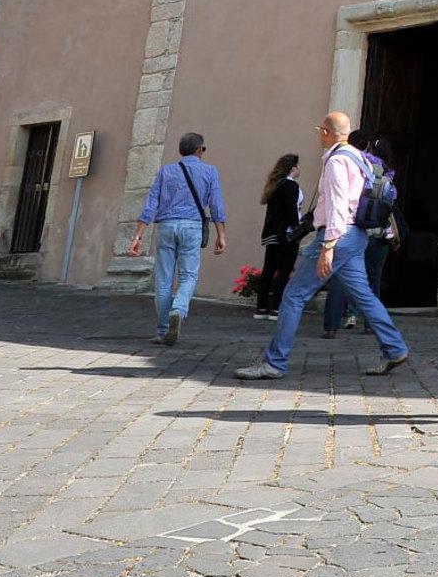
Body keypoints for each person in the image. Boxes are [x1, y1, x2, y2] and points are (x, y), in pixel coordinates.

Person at [235, 111, 409, 380]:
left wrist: (328, 246)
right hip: (356, 236)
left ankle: (274, 363)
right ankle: (395, 347)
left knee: (293, 296)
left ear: (327, 132)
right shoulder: (360, 159)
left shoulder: (337, 162)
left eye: (320, 130)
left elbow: (339, 205)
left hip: (337, 235)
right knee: (363, 295)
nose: (318, 135)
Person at [128, 131, 227, 346]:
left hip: (165, 226)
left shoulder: (166, 171)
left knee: (163, 280)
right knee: (188, 276)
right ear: (200, 150)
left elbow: (150, 204)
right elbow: (216, 205)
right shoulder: (210, 171)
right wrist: (221, 234)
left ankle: (163, 330)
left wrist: (137, 236)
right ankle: (178, 309)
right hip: (192, 227)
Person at [322, 133, 398, 338]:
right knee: (374, 279)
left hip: (353, 230)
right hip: (378, 233)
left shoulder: (356, 167)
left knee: (339, 277)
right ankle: (372, 325)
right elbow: (390, 203)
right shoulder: (387, 176)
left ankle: (331, 325)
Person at [255, 153, 303, 319]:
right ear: (292, 168)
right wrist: (298, 229)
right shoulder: (291, 186)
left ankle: (261, 307)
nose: (299, 169)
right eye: (297, 166)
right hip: (286, 234)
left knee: (269, 269)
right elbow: (292, 211)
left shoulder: (275, 185)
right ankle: (276, 307)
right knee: (284, 271)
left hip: (272, 233)